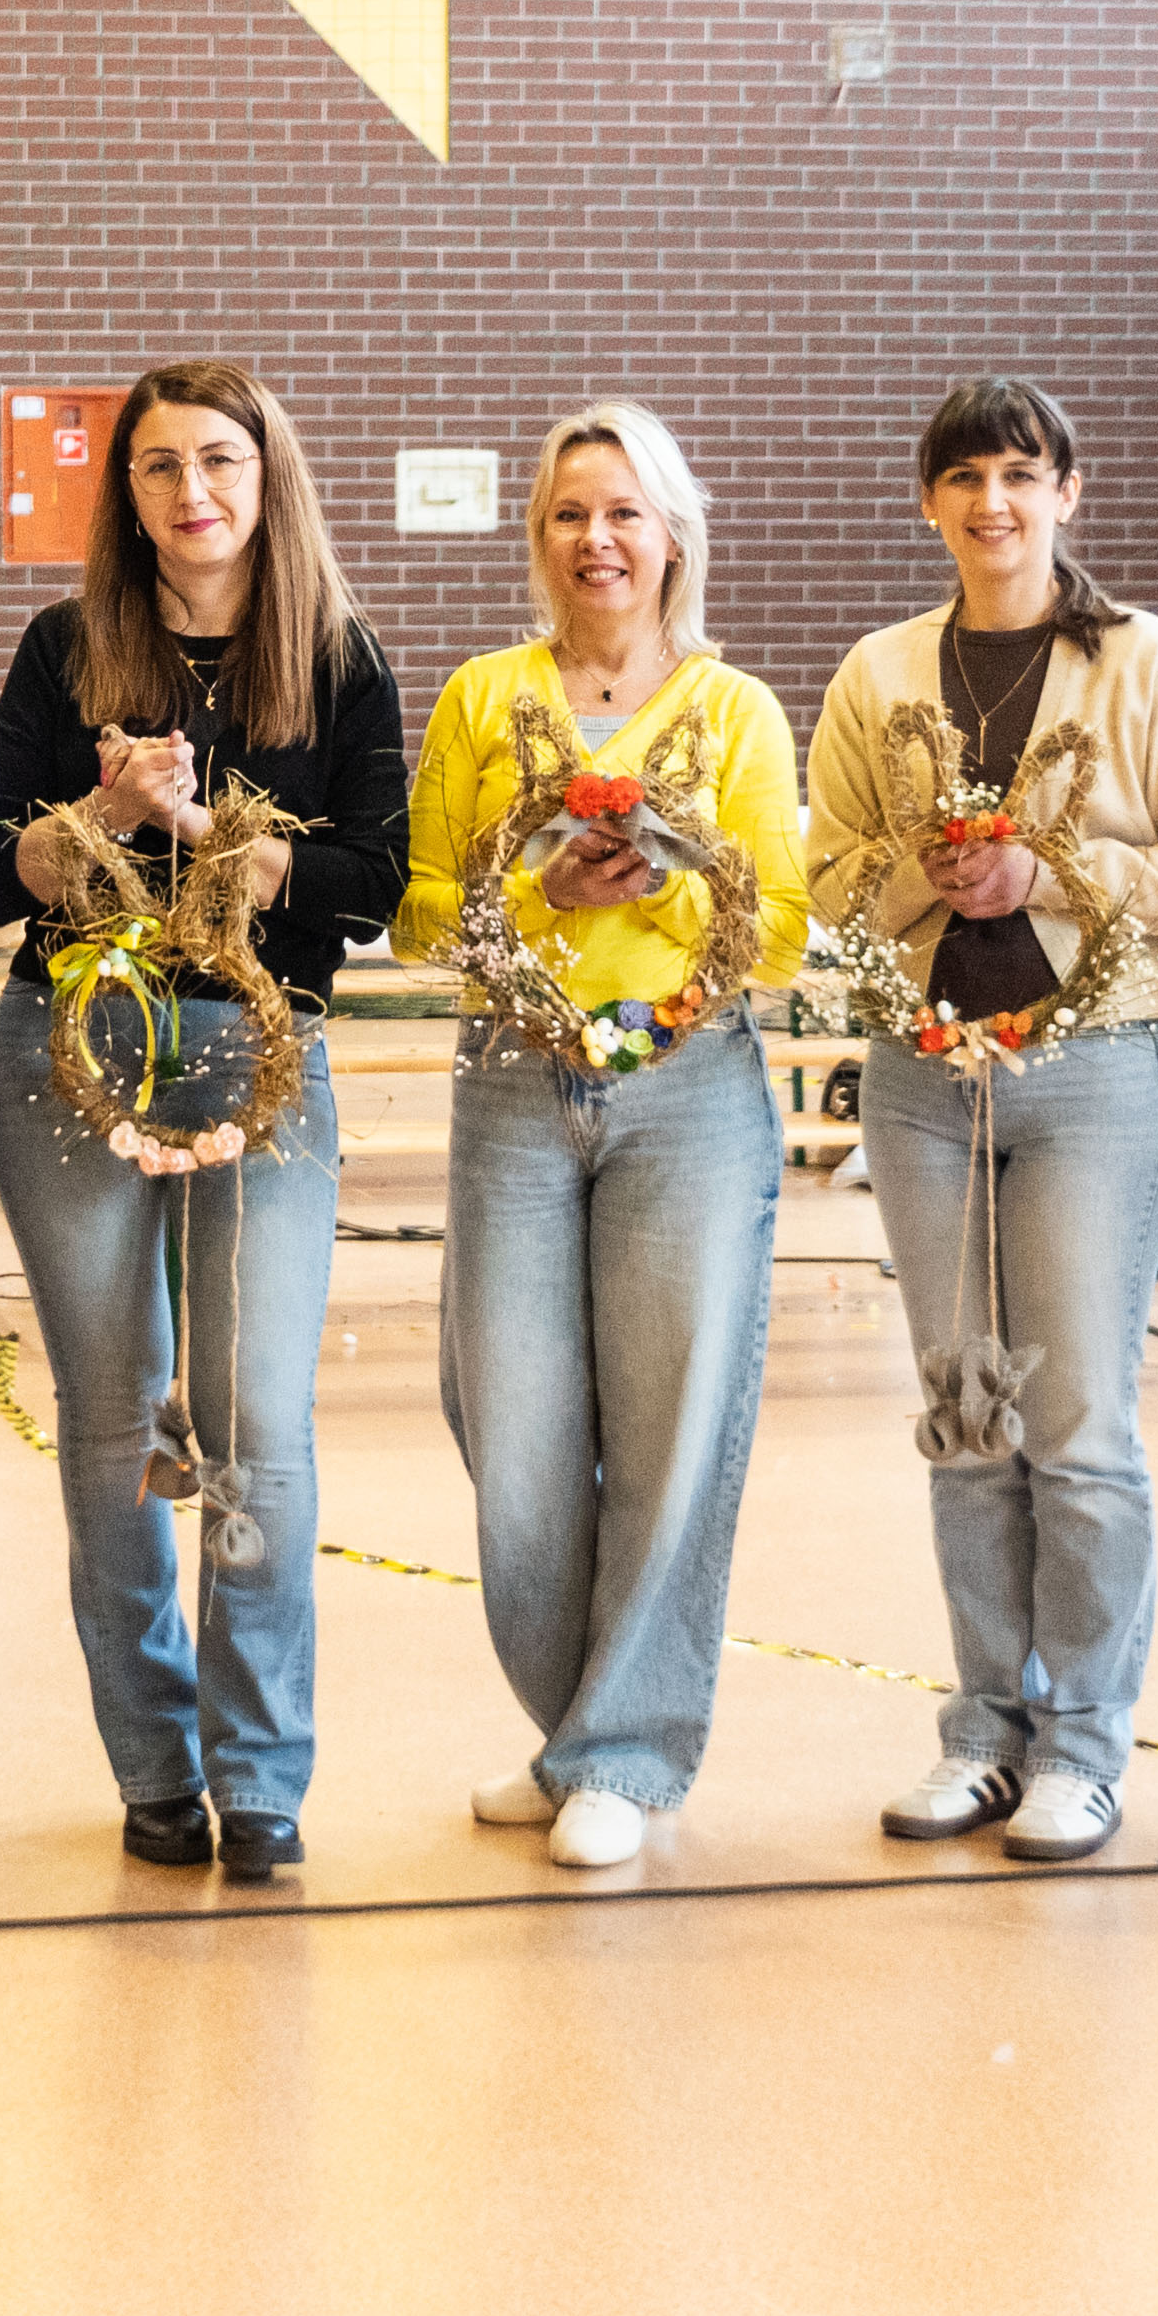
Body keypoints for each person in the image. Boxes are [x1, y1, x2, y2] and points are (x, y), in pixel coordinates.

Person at [808, 380, 1158, 1868]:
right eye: (964, 478)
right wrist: (931, 873)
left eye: (1020, 474)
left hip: (1093, 1078)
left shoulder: (1142, 661)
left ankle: (1081, 1744)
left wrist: (1054, 874)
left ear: (1068, 491)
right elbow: (824, 876)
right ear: (927, 503)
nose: (992, 502)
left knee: (1074, 1428)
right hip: (924, 1082)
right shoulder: (880, 670)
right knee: (964, 1418)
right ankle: (984, 1733)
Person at [0, 362, 411, 1888]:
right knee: (111, 1425)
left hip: (261, 1060)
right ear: (128, 495)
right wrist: (99, 819)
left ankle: (261, 1776)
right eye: (158, 467)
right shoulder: (64, 647)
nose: (191, 492)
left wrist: (225, 839)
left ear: (267, 475)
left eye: (219, 460)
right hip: (70, 1049)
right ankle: (154, 1767)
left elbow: (377, 885)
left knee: (256, 1424)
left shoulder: (340, 658)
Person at [394, 399, 807, 1872]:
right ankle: (575, 1728)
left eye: (625, 511)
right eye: (571, 513)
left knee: (669, 1426)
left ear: (673, 534)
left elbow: (780, 933)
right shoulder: (482, 695)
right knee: (509, 1429)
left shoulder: (735, 710)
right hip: (514, 1081)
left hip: (687, 1090)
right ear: (539, 537)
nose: (598, 538)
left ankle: (622, 1750)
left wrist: (661, 881)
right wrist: (538, 896)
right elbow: (420, 911)